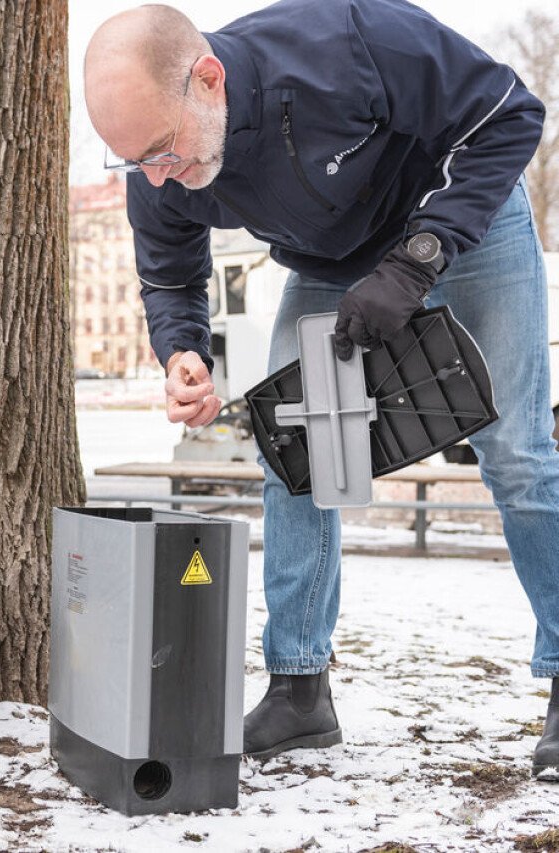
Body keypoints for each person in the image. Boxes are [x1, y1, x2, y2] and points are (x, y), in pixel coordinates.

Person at [85, 0, 558, 777]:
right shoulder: (157, 160)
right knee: (291, 452)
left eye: (162, 151)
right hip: (331, 267)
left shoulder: (346, 43)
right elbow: (169, 273)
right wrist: (183, 352)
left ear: (209, 79)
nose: (156, 177)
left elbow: (508, 113)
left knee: (516, 452)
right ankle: (300, 690)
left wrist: (416, 262)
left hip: (465, 228)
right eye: (135, 162)